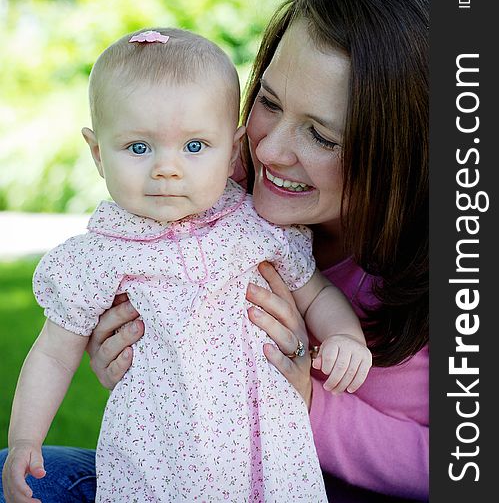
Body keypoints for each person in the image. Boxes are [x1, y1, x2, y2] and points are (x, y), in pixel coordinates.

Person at [1, 27, 373, 503]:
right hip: (156, 458)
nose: (167, 168)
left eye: (195, 146)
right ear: (98, 154)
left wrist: (344, 336)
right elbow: (54, 352)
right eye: (139, 148)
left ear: (234, 150)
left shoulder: (255, 227)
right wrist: (25, 441)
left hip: (266, 451)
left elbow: (315, 292)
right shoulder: (98, 257)